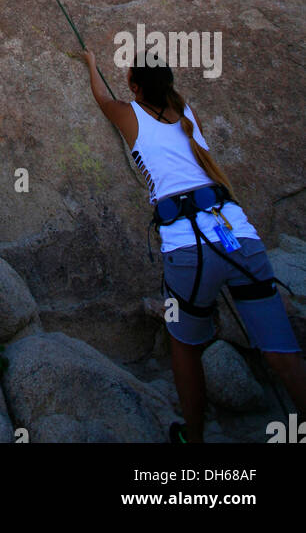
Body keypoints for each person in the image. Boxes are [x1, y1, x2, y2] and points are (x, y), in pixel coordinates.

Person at [80, 49, 306, 444]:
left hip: (187, 249)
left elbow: (102, 100)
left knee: (184, 346)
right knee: (282, 354)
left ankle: (194, 437)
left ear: (134, 87)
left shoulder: (129, 115)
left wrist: (90, 62)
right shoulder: (187, 116)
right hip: (238, 235)